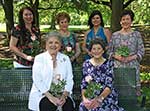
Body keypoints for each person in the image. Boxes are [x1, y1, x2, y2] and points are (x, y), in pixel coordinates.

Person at [28, 32, 74, 111]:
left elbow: (69, 79)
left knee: (68, 105)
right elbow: (37, 80)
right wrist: (51, 97)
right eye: (50, 42)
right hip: (44, 94)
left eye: (56, 43)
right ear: (46, 45)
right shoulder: (39, 58)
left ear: (60, 45)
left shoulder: (65, 58)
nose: (53, 45)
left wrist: (64, 96)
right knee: (47, 105)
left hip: (62, 93)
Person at [79, 38, 125, 111]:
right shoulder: (86, 64)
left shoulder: (109, 63)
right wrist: (85, 99)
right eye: (94, 49)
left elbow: (109, 86)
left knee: (98, 108)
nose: (96, 51)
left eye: (99, 48)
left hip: (106, 95)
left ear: (103, 50)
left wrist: (99, 99)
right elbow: (84, 85)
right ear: (90, 51)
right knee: (83, 106)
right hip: (91, 94)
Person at [108, 9, 145, 96]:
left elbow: (141, 50)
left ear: (131, 21)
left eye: (127, 19)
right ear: (120, 21)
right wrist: (117, 57)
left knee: (132, 94)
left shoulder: (136, 35)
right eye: (123, 19)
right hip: (118, 67)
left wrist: (131, 58)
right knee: (118, 92)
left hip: (132, 67)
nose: (125, 21)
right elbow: (109, 51)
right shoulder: (115, 35)